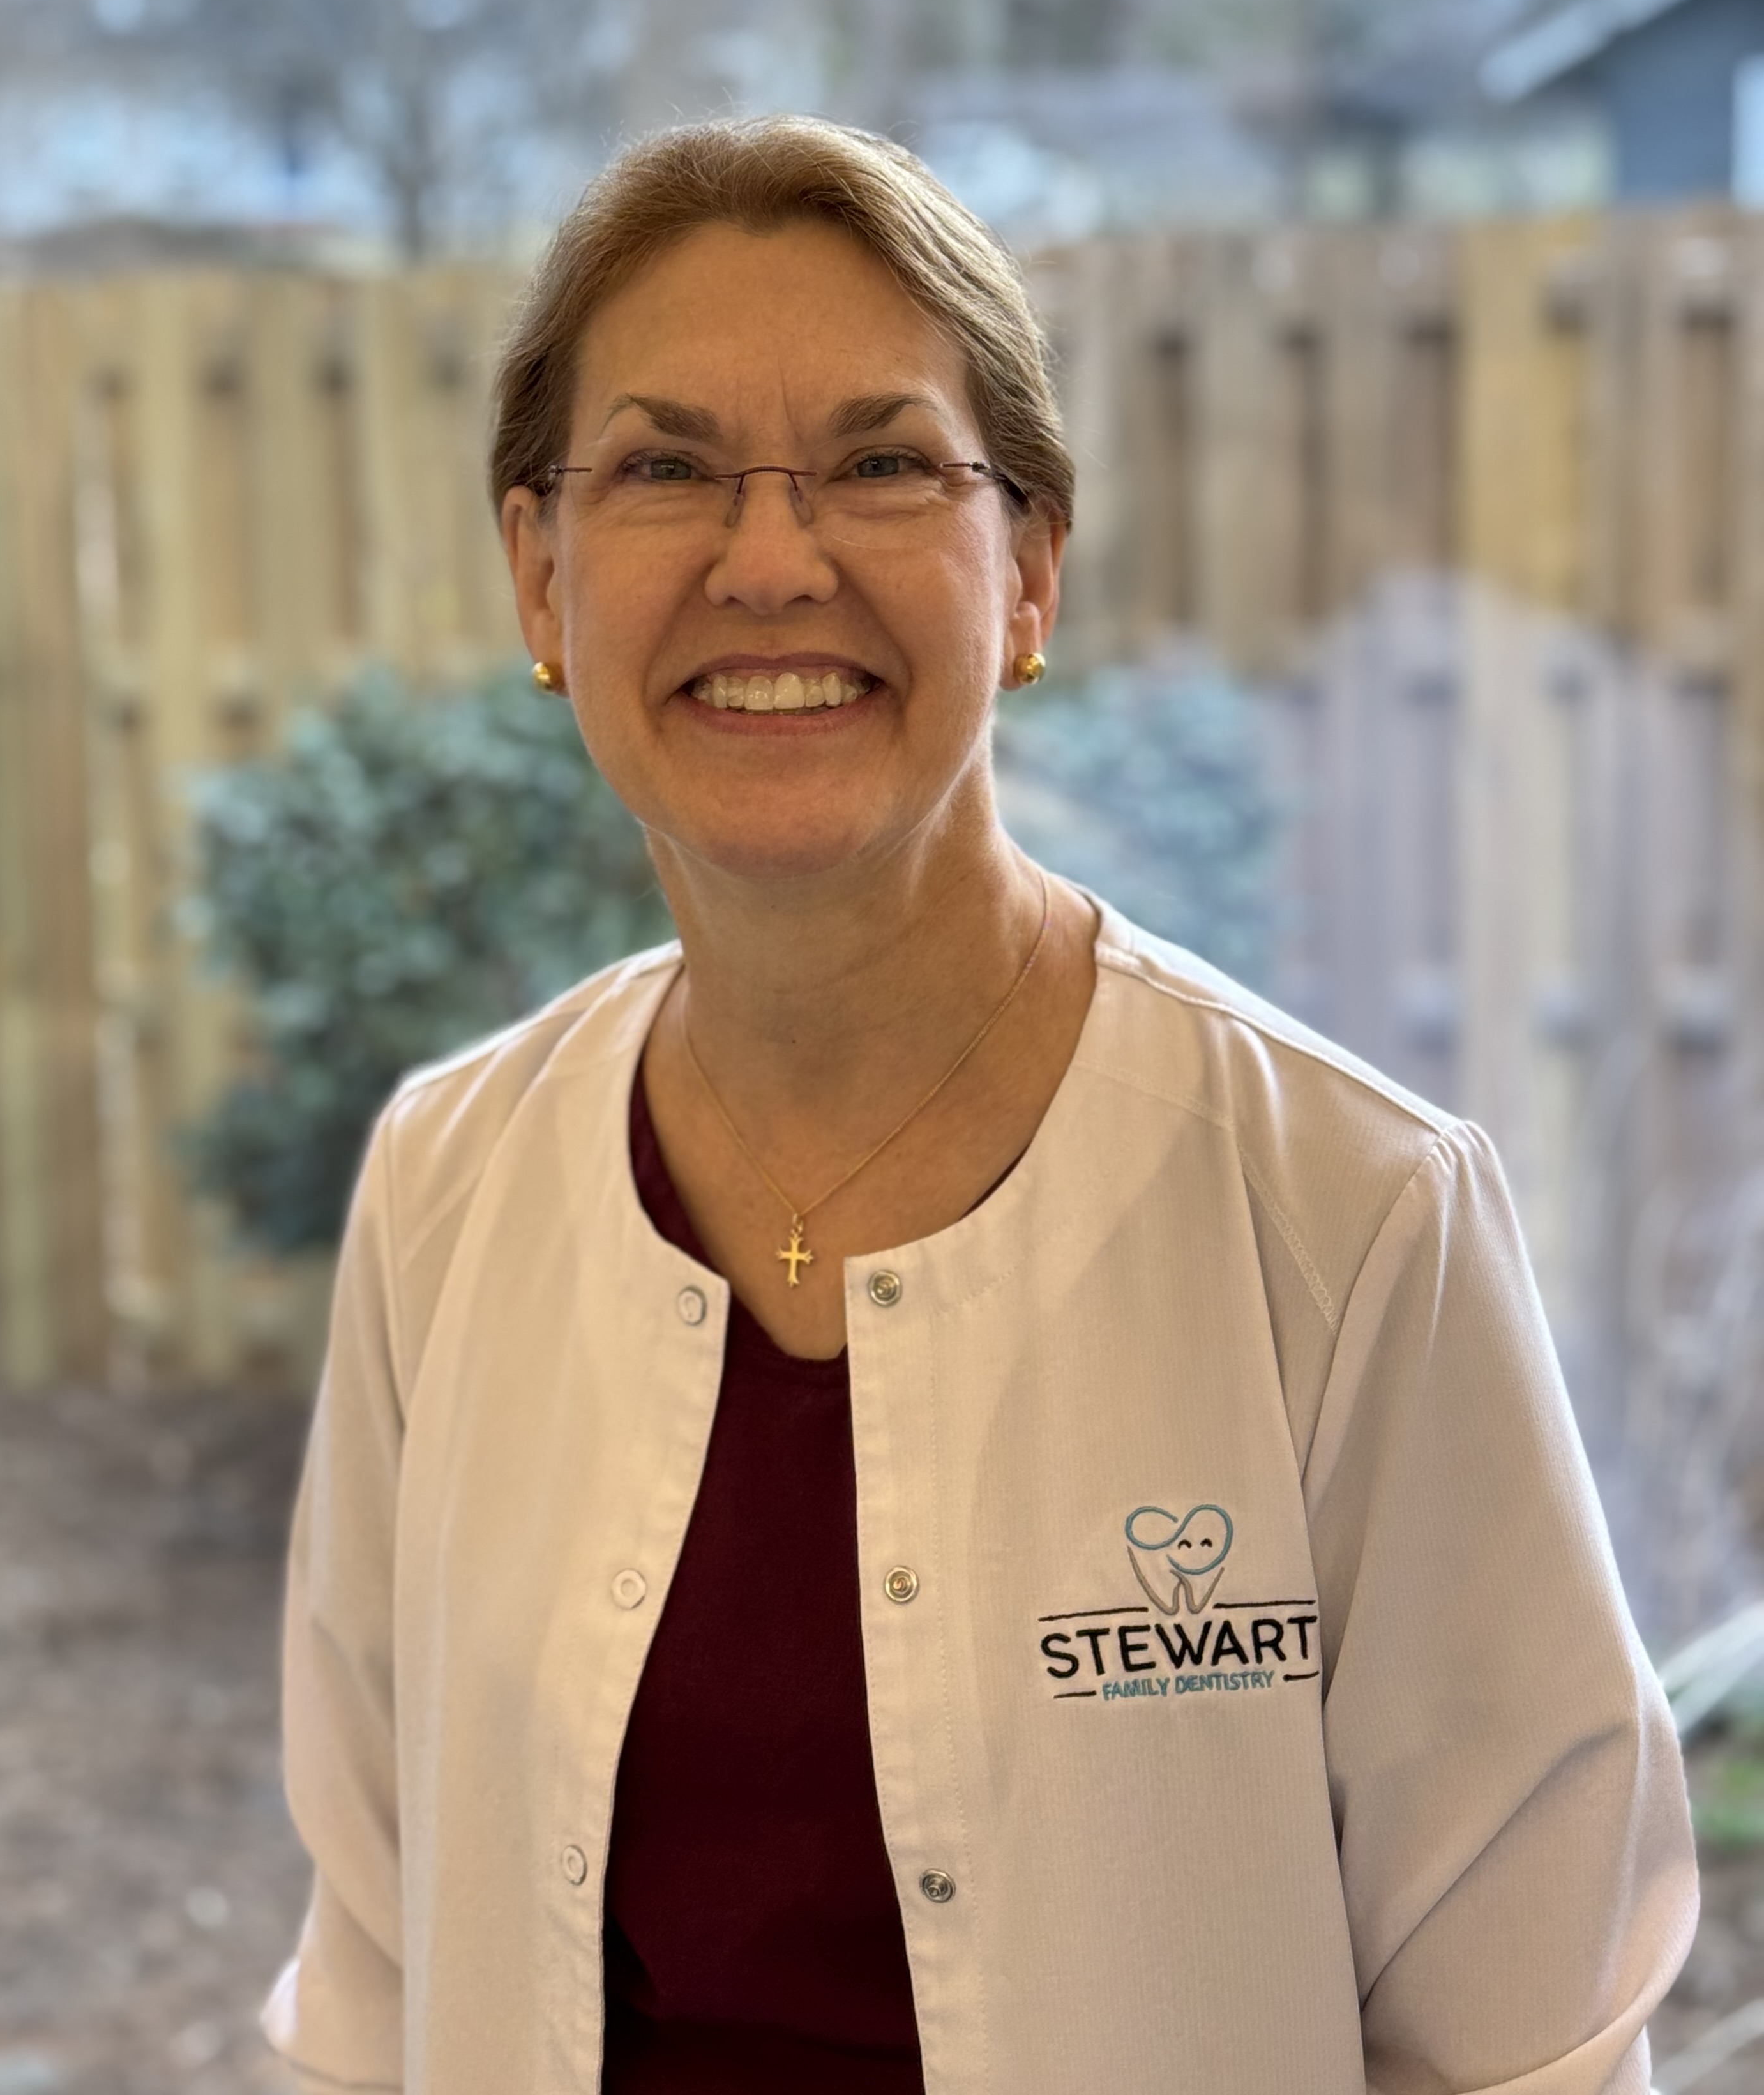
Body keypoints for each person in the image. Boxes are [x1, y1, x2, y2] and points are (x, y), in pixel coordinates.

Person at [262, 116, 1696, 2095]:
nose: (772, 562)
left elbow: (1538, 2036)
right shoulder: (447, 1189)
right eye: (666, 468)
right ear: (542, 569)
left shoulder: (1353, 1216)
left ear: (1024, 566)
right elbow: (374, 1962)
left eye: (877, 464)